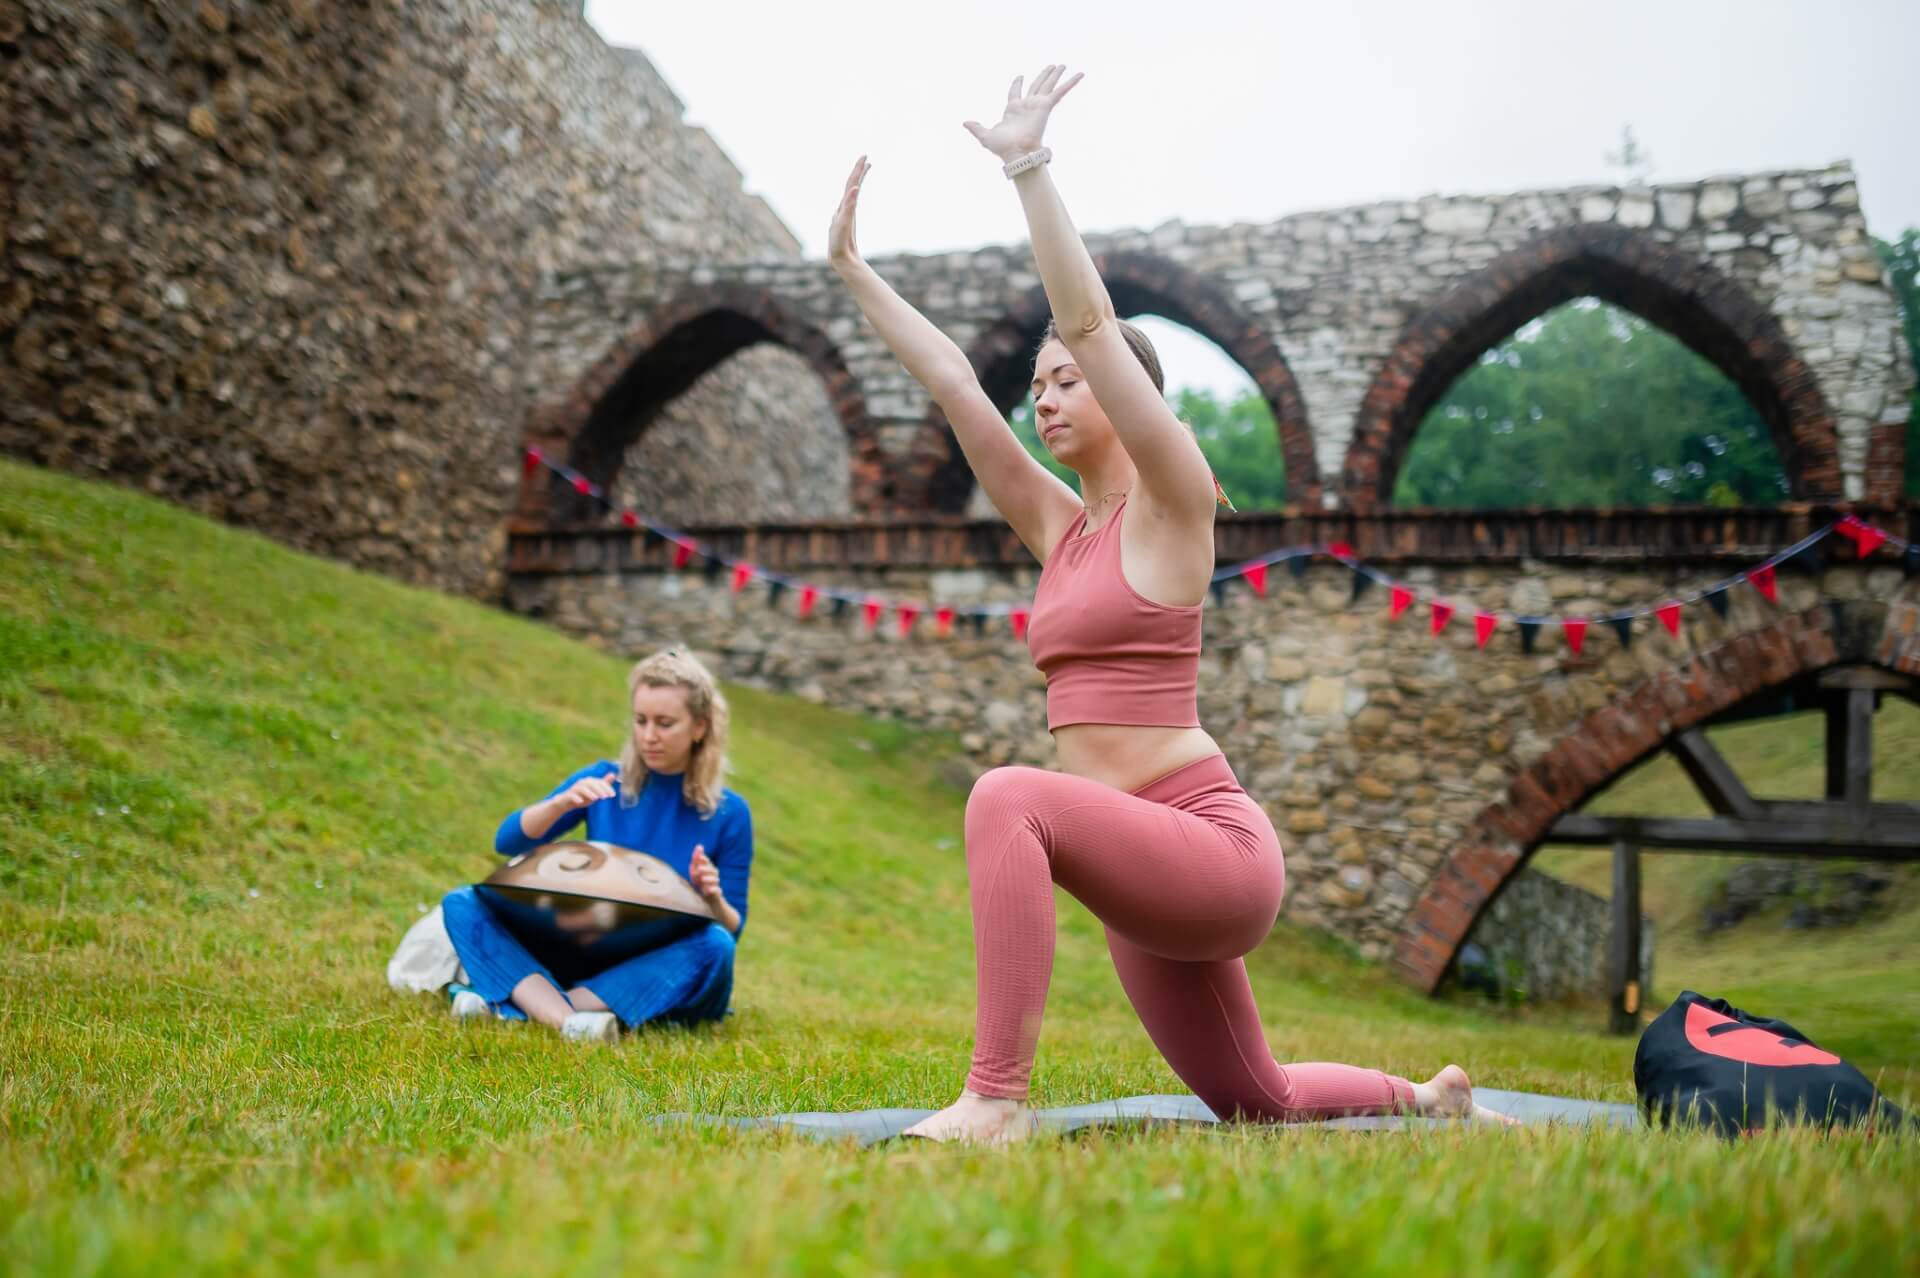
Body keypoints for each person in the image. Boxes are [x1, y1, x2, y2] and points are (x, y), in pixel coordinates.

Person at [828, 66, 1513, 1140]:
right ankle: (1426, 1098)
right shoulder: (1065, 530)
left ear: (1125, 396)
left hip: (1212, 852)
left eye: (1064, 381)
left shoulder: (1175, 500)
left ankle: (993, 1101)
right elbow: (959, 385)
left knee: (1008, 797)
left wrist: (1028, 169)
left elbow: (1094, 321)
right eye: (1041, 384)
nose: (1045, 396)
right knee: (1257, 1099)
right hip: (1137, 866)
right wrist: (854, 273)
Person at [440, 648, 752, 1044]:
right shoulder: (606, 779)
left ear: (700, 727)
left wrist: (711, 899)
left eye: (665, 723)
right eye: (640, 721)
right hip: (585, 946)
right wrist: (561, 804)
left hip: (654, 961)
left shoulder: (730, 813)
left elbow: (733, 929)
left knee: (716, 946)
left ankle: (521, 1007)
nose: (649, 736)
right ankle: (571, 1021)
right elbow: (507, 842)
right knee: (463, 903)